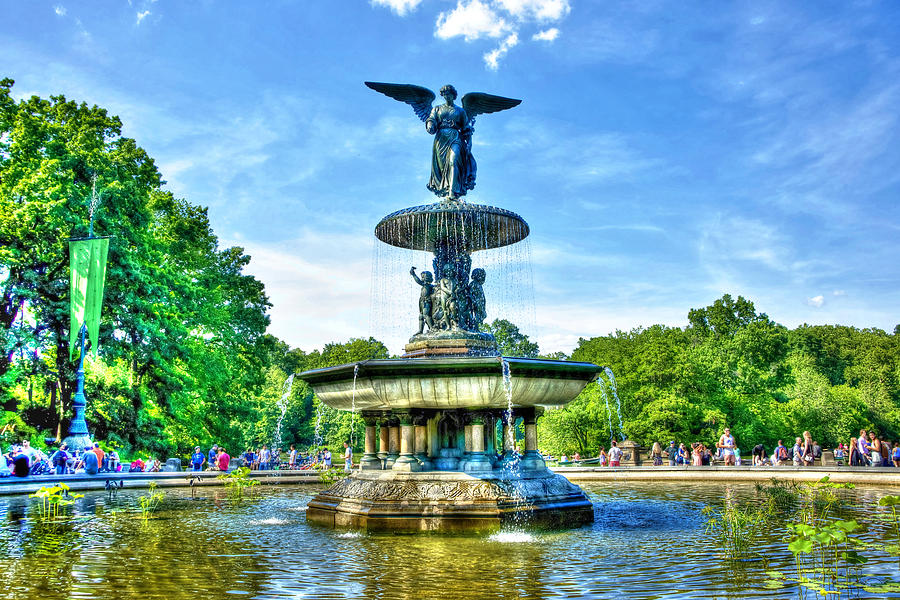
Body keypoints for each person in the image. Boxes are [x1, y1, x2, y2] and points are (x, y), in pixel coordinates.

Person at [425, 84, 476, 200]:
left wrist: (469, 145)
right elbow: (431, 119)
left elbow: (466, 129)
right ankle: (446, 189)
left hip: (455, 137)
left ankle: (452, 193)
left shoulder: (460, 111)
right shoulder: (437, 109)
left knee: (453, 161)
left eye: (449, 94)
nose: (446, 97)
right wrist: (430, 125)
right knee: (443, 168)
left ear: (453, 95)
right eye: (444, 95)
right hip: (441, 139)